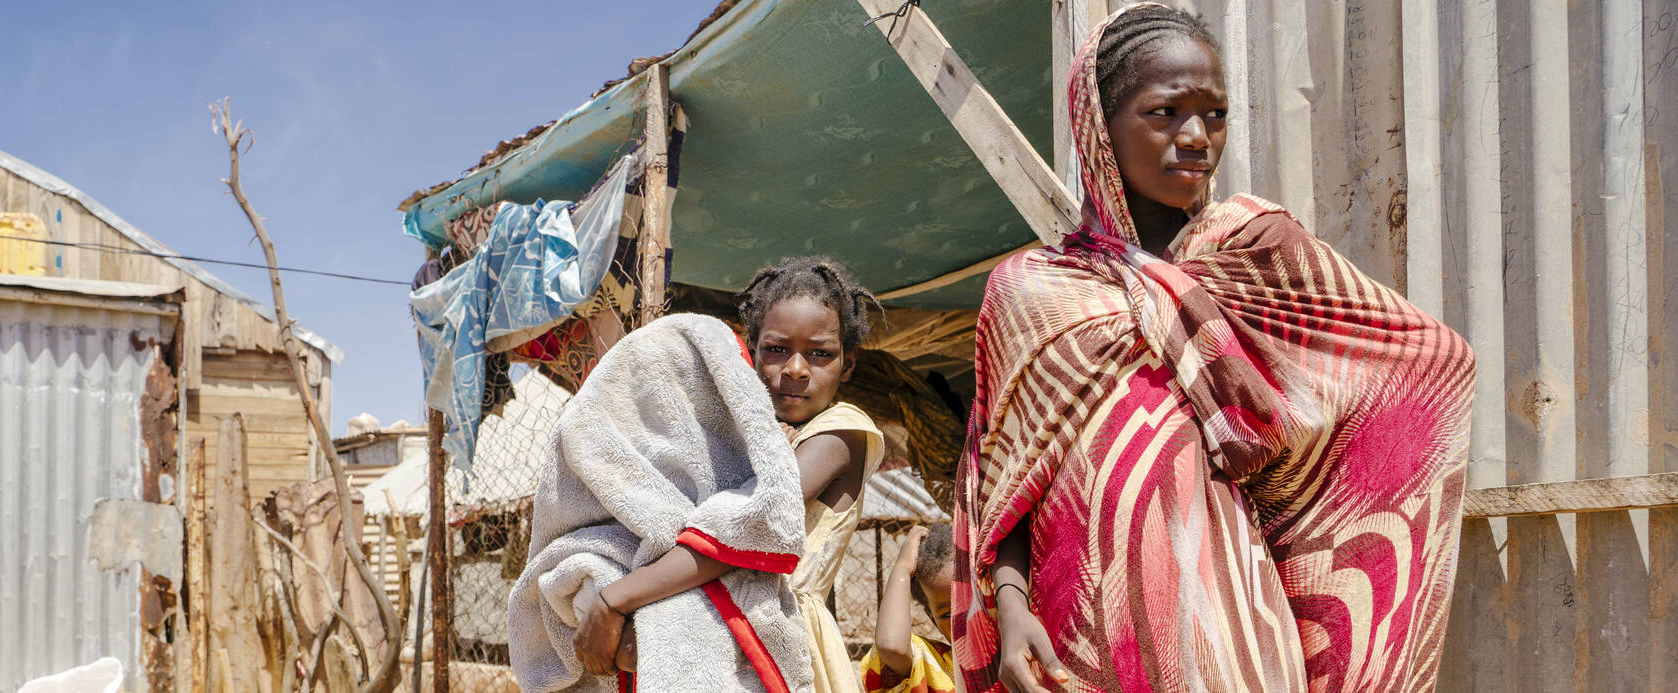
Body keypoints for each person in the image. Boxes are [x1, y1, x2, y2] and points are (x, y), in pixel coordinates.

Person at [952, 5, 1475, 693]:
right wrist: (1012, 607)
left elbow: (1431, 365)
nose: (1196, 137)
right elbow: (1006, 488)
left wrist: (1300, 480)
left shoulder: (1257, 253)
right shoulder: (1031, 291)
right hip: (1074, 633)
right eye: (1165, 112)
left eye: (1215, 114)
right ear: (1098, 127)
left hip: (1230, 628)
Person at [573, 256, 887, 692]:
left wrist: (617, 599)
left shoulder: (840, 434)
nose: (795, 369)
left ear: (847, 365)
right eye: (777, 349)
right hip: (711, 626)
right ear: (751, 351)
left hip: (785, 638)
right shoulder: (741, 434)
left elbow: (743, 524)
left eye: (819, 354)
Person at [860, 523, 958, 693]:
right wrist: (903, 568)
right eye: (948, 614)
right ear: (932, 618)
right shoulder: (932, 665)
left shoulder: (1013, 652)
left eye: (976, 603)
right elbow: (892, 647)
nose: (965, 619)